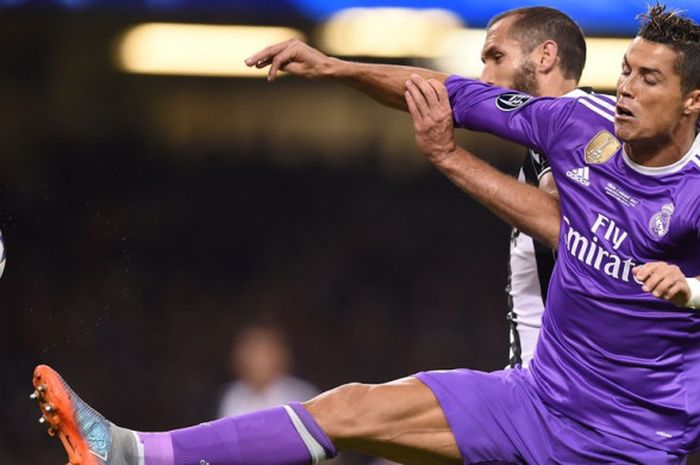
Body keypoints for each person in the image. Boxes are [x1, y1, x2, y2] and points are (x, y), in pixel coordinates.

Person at [30, 4, 700, 465]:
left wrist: (693, 291)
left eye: (649, 78)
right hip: (537, 400)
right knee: (352, 407)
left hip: (632, 443)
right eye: (626, 72)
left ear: (693, 99)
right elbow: (444, 92)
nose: (626, 90)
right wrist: (335, 68)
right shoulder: (576, 127)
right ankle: (128, 452)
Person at [244, 6, 591, 368]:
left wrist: (449, 157)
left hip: (558, 391)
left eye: (496, 57)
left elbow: (561, 224)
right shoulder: (550, 134)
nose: (485, 76)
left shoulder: (580, 127)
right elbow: (440, 92)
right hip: (551, 382)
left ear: (546, 55)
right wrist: (334, 68)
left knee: (357, 409)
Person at [218, 325, 319, 417]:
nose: (257, 362)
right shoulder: (232, 396)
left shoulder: (301, 395)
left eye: (264, 354)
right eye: (251, 353)